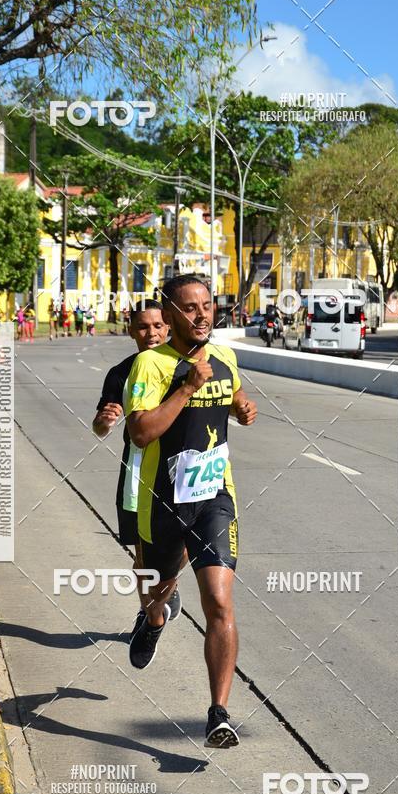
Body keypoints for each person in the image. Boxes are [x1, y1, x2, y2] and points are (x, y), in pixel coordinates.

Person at [125, 275, 257, 748]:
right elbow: (141, 433)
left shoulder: (224, 358)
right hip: (162, 501)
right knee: (155, 586)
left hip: (215, 498)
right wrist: (184, 389)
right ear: (172, 314)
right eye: (190, 307)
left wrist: (241, 407)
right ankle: (152, 618)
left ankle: (218, 713)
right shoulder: (150, 365)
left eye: (208, 305)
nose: (202, 314)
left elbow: (233, 393)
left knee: (220, 603)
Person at [92, 300, 181, 624]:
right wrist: (105, 420)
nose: (151, 333)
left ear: (168, 326)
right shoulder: (120, 373)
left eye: (157, 326)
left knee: (187, 547)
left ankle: (167, 579)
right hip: (139, 471)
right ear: (131, 331)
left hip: (184, 470)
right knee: (143, 557)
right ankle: (149, 620)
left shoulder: (185, 365)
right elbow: (100, 428)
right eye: (143, 327)